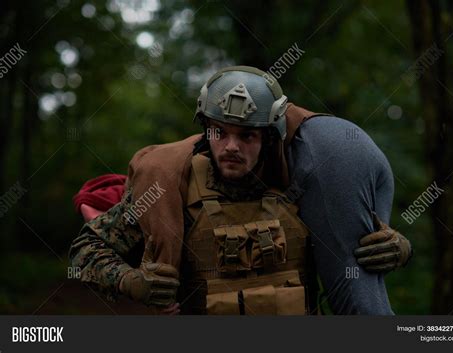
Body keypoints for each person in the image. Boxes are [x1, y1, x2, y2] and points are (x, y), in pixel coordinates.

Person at [69, 66, 411, 315]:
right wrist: (129, 281)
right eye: (220, 133)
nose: (231, 146)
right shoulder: (174, 187)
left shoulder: (298, 185)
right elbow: (85, 250)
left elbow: (348, 254)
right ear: (206, 132)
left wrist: (394, 246)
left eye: (247, 136)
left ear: (268, 137)